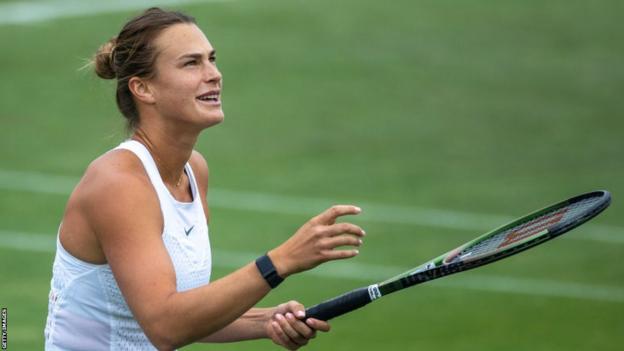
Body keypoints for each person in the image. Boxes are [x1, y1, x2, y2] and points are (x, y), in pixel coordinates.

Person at [43, 7, 365, 351]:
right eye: (191, 63)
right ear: (143, 88)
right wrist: (280, 262)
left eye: (212, 59)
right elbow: (166, 326)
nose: (214, 74)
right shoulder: (119, 185)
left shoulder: (194, 170)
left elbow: (186, 309)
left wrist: (266, 320)